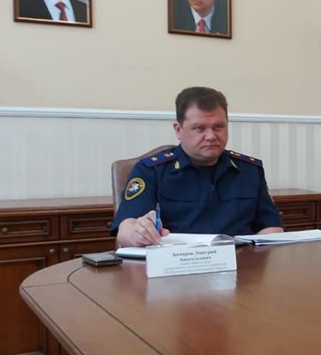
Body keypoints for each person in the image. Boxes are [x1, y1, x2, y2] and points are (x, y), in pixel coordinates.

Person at [112, 86, 283, 247]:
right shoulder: (151, 171)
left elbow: (271, 227)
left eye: (218, 127)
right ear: (178, 130)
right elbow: (125, 228)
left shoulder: (250, 171)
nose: (211, 136)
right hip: (177, 263)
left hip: (241, 262)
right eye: (200, 128)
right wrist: (137, 233)